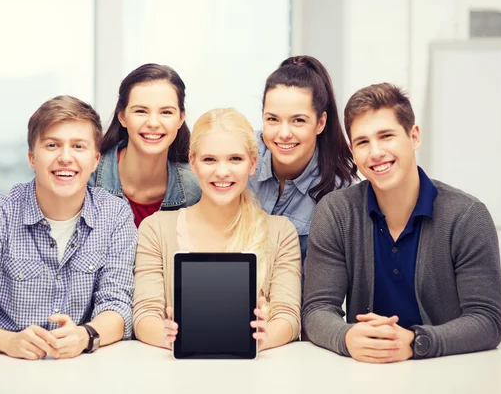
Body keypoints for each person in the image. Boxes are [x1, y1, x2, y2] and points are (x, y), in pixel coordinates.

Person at [303, 83, 501, 362]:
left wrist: (415, 342)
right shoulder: (336, 213)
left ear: (414, 136)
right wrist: (346, 337)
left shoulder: (467, 216)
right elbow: (317, 309)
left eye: (386, 136)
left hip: (449, 369)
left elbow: (488, 320)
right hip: (364, 372)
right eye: (363, 142)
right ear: (352, 150)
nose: (375, 152)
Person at [0, 95, 138, 360]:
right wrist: (8, 342)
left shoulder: (115, 215)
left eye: (78, 146)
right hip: (0, 366)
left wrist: (86, 336)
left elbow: (117, 305)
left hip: (80, 368)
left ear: (95, 160)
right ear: (32, 157)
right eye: (52, 145)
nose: (65, 157)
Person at [133, 108, 301, 351]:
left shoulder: (281, 232)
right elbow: (144, 313)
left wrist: (265, 337)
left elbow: (289, 316)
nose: (222, 172)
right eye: (209, 159)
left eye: (235, 159)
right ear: (193, 163)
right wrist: (166, 335)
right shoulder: (156, 229)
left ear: (253, 164)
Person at [249, 55, 357, 267]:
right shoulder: (239, 156)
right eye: (273, 119)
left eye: (298, 120)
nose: (284, 133)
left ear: (320, 122)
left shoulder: (340, 193)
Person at [90, 63, 201, 227]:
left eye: (166, 112)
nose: (153, 123)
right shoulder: (87, 178)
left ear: (181, 118)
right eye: (141, 111)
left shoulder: (196, 187)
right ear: (122, 117)